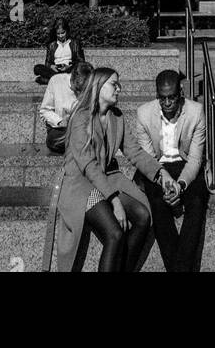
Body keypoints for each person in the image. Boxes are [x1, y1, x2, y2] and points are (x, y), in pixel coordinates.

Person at [53, 66, 175, 272]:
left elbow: (134, 152)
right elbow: (88, 166)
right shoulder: (81, 118)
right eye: (114, 84)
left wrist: (160, 172)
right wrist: (115, 201)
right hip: (80, 185)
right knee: (115, 233)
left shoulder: (116, 117)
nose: (119, 88)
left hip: (105, 179)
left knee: (143, 216)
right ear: (99, 87)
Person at [135, 69, 208, 273]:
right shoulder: (143, 113)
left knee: (197, 203)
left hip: (185, 166)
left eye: (172, 97)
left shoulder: (195, 112)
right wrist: (165, 182)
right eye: (162, 98)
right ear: (157, 95)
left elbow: (194, 159)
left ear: (181, 93)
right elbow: (148, 159)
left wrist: (181, 185)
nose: (167, 103)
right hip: (158, 167)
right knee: (158, 204)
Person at [40, 61, 93, 154]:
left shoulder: (93, 85)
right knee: (53, 140)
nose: (79, 93)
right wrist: (60, 121)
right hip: (62, 130)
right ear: (72, 77)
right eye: (77, 89)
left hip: (83, 128)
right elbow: (45, 110)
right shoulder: (56, 81)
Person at [33, 18, 85, 85]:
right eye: (58, 34)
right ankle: (61, 79)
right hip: (55, 71)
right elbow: (47, 62)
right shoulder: (52, 45)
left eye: (63, 33)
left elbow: (81, 61)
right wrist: (52, 66)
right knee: (37, 68)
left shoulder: (75, 43)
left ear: (67, 31)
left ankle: (52, 80)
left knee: (77, 69)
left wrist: (68, 66)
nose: (60, 36)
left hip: (69, 69)